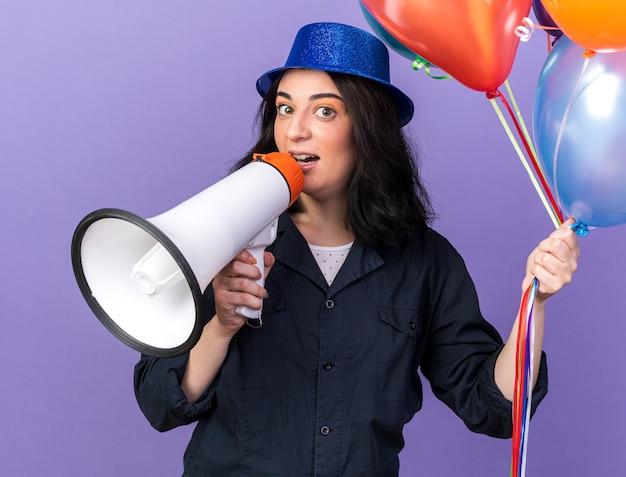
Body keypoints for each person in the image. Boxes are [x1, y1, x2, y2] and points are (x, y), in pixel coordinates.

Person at [134, 22, 580, 476]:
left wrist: (535, 302)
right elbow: (160, 403)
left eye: (324, 112)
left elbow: (495, 410)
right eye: (284, 109)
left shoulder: (426, 262)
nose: (295, 132)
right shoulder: (222, 234)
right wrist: (222, 327)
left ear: (368, 128)